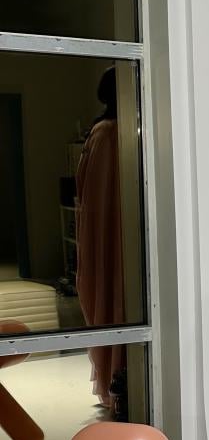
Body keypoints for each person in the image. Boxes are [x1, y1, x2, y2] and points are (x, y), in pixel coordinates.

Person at [75, 66, 125, 409]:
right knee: (113, 297)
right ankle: (118, 382)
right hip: (113, 232)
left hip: (107, 231)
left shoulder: (103, 131)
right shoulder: (110, 133)